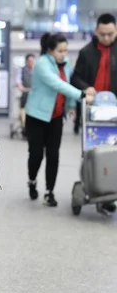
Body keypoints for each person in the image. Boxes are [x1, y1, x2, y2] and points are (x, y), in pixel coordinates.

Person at [25, 32, 95, 207]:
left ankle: (49, 192)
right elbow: (57, 84)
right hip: (37, 117)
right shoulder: (42, 64)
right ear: (50, 51)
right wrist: (81, 95)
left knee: (53, 155)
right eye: (60, 51)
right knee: (36, 155)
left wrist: (71, 106)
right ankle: (32, 181)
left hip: (56, 118)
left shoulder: (66, 65)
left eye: (66, 50)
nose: (64, 54)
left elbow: (68, 84)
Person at [71, 13, 117, 212]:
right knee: (92, 152)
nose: (106, 38)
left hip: (115, 112)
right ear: (96, 31)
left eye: (110, 34)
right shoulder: (86, 52)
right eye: (102, 34)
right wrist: (86, 89)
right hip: (93, 113)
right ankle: (94, 186)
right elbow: (76, 79)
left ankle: (108, 194)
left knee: (113, 153)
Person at [16, 53, 35, 136]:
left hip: (35, 97)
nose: (31, 63)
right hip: (25, 96)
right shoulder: (22, 71)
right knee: (23, 112)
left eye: (32, 61)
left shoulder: (37, 71)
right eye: (29, 61)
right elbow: (19, 84)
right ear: (26, 61)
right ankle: (24, 127)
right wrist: (27, 89)